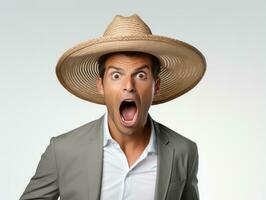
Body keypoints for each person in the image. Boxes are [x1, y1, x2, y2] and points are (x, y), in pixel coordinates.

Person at [20, 14, 206, 200]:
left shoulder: (184, 152)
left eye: (141, 75)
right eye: (116, 76)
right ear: (101, 85)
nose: (129, 85)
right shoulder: (62, 151)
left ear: (156, 86)